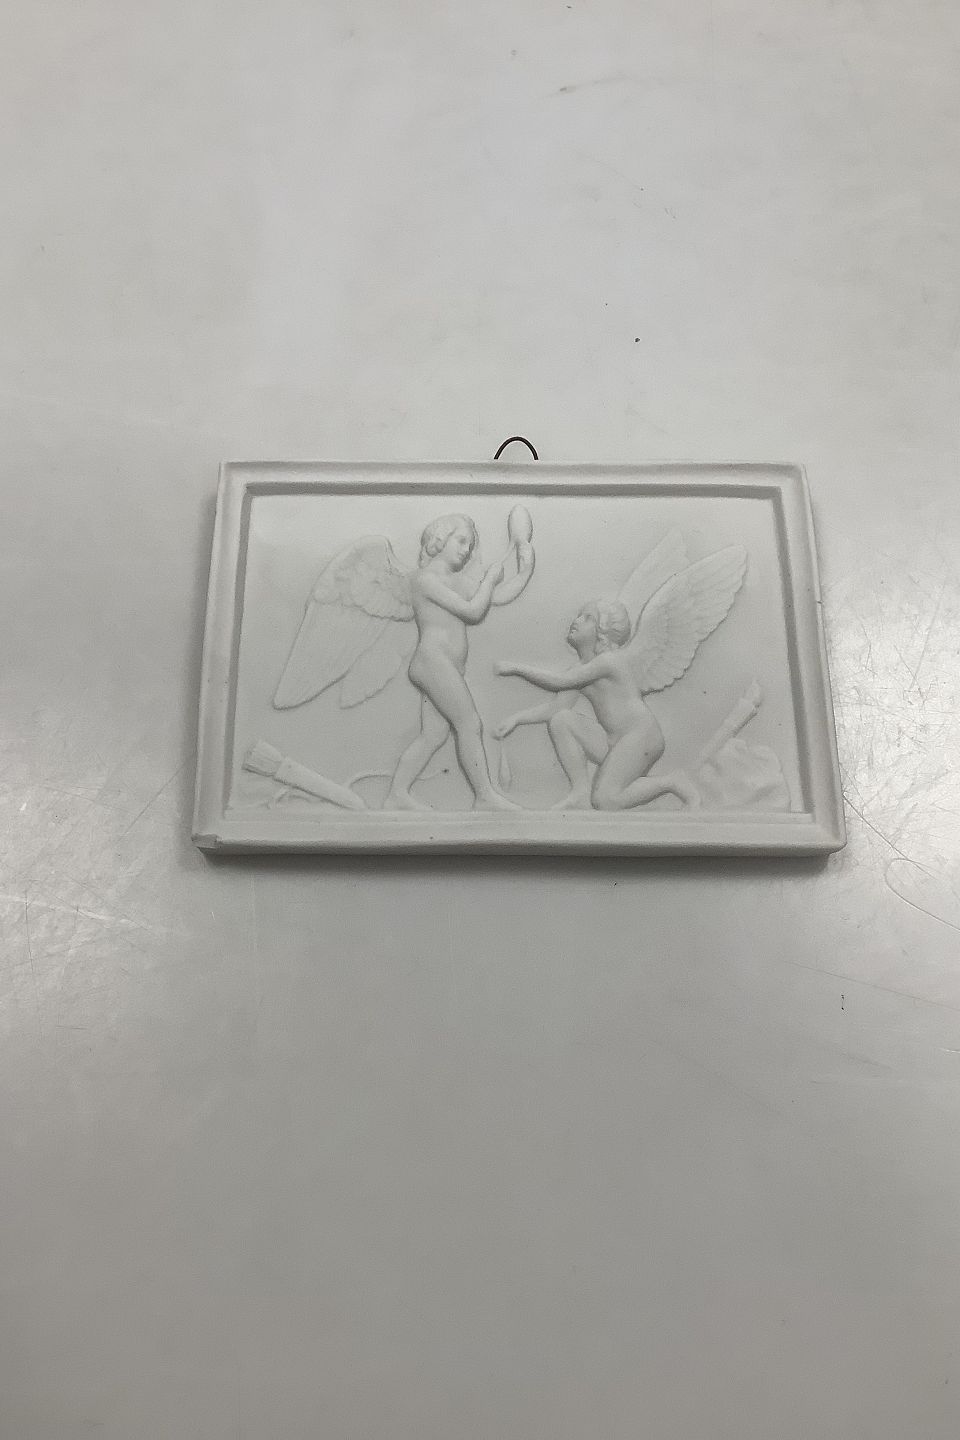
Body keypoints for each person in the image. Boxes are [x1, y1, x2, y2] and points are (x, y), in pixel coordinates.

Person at [386, 514, 534, 811]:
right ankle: (484, 796)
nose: (466, 550)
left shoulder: (456, 581)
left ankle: (396, 795)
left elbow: (496, 597)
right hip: (433, 661)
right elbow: (472, 611)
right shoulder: (425, 579)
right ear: (440, 538)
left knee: (433, 735)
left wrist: (524, 570)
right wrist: (489, 579)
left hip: (446, 666)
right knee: (469, 723)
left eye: (470, 545)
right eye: (461, 541)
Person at [494, 599, 700, 810]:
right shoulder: (580, 669)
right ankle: (579, 792)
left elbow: (559, 681)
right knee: (561, 720)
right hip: (614, 741)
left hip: (640, 736)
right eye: (579, 615)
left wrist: (516, 669)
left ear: (603, 632)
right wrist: (516, 719)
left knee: (605, 800)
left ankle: (672, 782)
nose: (577, 620)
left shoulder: (608, 661)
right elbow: (555, 708)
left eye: (588, 618)